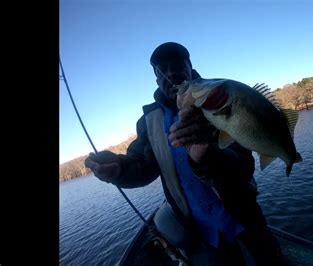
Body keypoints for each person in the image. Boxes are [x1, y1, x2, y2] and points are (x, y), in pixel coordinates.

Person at [85, 42, 285, 265]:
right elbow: (142, 166)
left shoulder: (218, 100)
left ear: (190, 67)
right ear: (157, 79)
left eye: (178, 64)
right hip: (203, 237)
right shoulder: (148, 122)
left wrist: (207, 158)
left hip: (245, 221)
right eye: (163, 68)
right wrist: (119, 170)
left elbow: (244, 167)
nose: (171, 72)